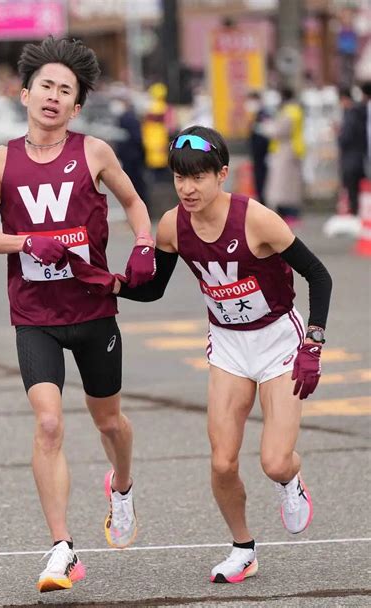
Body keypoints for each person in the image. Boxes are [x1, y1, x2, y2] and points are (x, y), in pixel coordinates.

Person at [0, 36, 155, 593]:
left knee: (108, 422)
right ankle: (61, 550)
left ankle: (120, 485)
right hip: (35, 314)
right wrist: (28, 243)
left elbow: (134, 202)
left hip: (94, 307)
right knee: (48, 422)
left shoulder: (93, 151)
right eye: (45, 86)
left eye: (65, 91)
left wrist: (143, 244)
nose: (53, 97)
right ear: (25, 94)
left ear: (76, 107)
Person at [113, 125, 332, 584]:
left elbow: (319, 276)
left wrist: (313, 341)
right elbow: (152, 291)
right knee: (222, 461)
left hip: (277, 341)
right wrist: (115, 282)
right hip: (229, 345)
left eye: (198, 178)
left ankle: (292, 481)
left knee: (274, 460)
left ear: (222, 175)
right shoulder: (172, 224)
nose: (187, 188)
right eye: (179, 178)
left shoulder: (257, 219)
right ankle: (242, 548)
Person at [264, 88, 306, 226]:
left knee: (285, 187)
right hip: (292, 150)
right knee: (289, 185)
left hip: (287, 151)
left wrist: (266, 128)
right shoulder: (296, 110)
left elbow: (279, 131)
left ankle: (289, 214)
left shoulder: (289, 112)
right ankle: (289, 213)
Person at [337, 87, 367, 215]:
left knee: (352, 189)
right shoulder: (361, 112)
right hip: (361, 157)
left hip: (351, 159)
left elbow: (346, 138)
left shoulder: (351, 114)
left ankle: (355, 213)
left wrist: (339, 134)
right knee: (359, 189)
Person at [245, 91, 270, 205]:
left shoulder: (264, 114)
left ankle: (263, 200)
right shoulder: (253, 116)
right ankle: (261, 199)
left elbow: (267, 134)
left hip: (263, 153)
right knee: (257, 177)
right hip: (256, 153)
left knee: (262, 178)